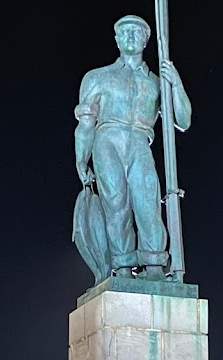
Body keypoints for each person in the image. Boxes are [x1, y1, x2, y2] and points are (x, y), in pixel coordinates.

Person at [74, 15, 192, 278]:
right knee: (115, 203)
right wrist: (81, 159)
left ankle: (154, 265)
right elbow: (85, 124)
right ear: (116, 39)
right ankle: (123, 266)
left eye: (136, 32)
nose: (130, 36)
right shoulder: (97, 77)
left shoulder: (155, 83)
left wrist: (176, 84)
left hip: (140, 142)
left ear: (146, 40)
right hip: (107, 140)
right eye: (124, 32)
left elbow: (183, 121)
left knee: (148, 200)